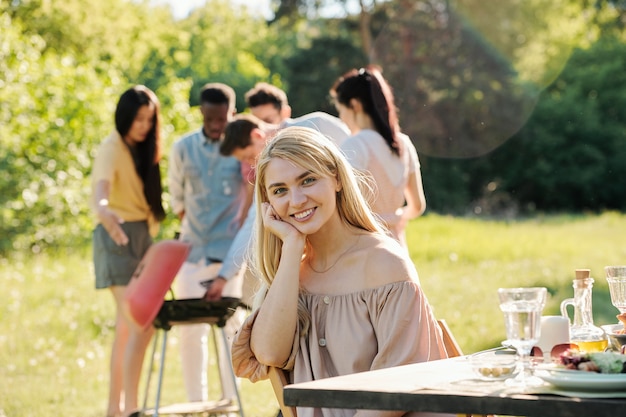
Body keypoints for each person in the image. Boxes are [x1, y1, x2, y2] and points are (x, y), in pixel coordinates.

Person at [230, 127, 448, 417]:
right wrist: (293, 247)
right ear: (268, 203)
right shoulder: (292, 273)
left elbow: (397, 388)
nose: (296, 200)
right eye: (280, 190)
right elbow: (269, 355)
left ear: (335, 178)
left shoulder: (384, 264)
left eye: (307, 180)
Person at [202, 111, 350, 302]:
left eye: (249, 156)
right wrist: (224, 276)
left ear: (257, 136)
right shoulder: (271, 173)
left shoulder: (318, 124)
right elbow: (252, 223)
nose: (251, 163)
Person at [168, 82, 248, 403]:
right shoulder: (183, 148)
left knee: (232, 330)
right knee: (191, 332)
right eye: (210, 119)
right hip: (193, 252)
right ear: (201, 112)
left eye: (222, 120)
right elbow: (177, 197)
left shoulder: (240, 151)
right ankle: (195, 402)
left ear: (233, 114)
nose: (216, 127)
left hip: (230, 254)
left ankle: (230, 400)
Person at [91, 85, 166, 417]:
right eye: (138, 119)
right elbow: (101, 193)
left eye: (149, 119)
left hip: (142, 240)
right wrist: (104, 211)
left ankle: (116, 410)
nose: (144, 126)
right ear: (124, 117)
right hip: (117, 236)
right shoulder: (111, 147)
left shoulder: (146, 150)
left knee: (128, 328)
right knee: (140, 324)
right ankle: (131, 409)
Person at [330, 65, 426, 247]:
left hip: (364, 248)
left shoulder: (355, 145)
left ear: (355, 105)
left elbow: (340, 208)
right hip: (398, 248)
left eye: (340, 110)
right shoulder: (403, 144)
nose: (341, 117)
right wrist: (394, 217)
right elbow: (418, 206)